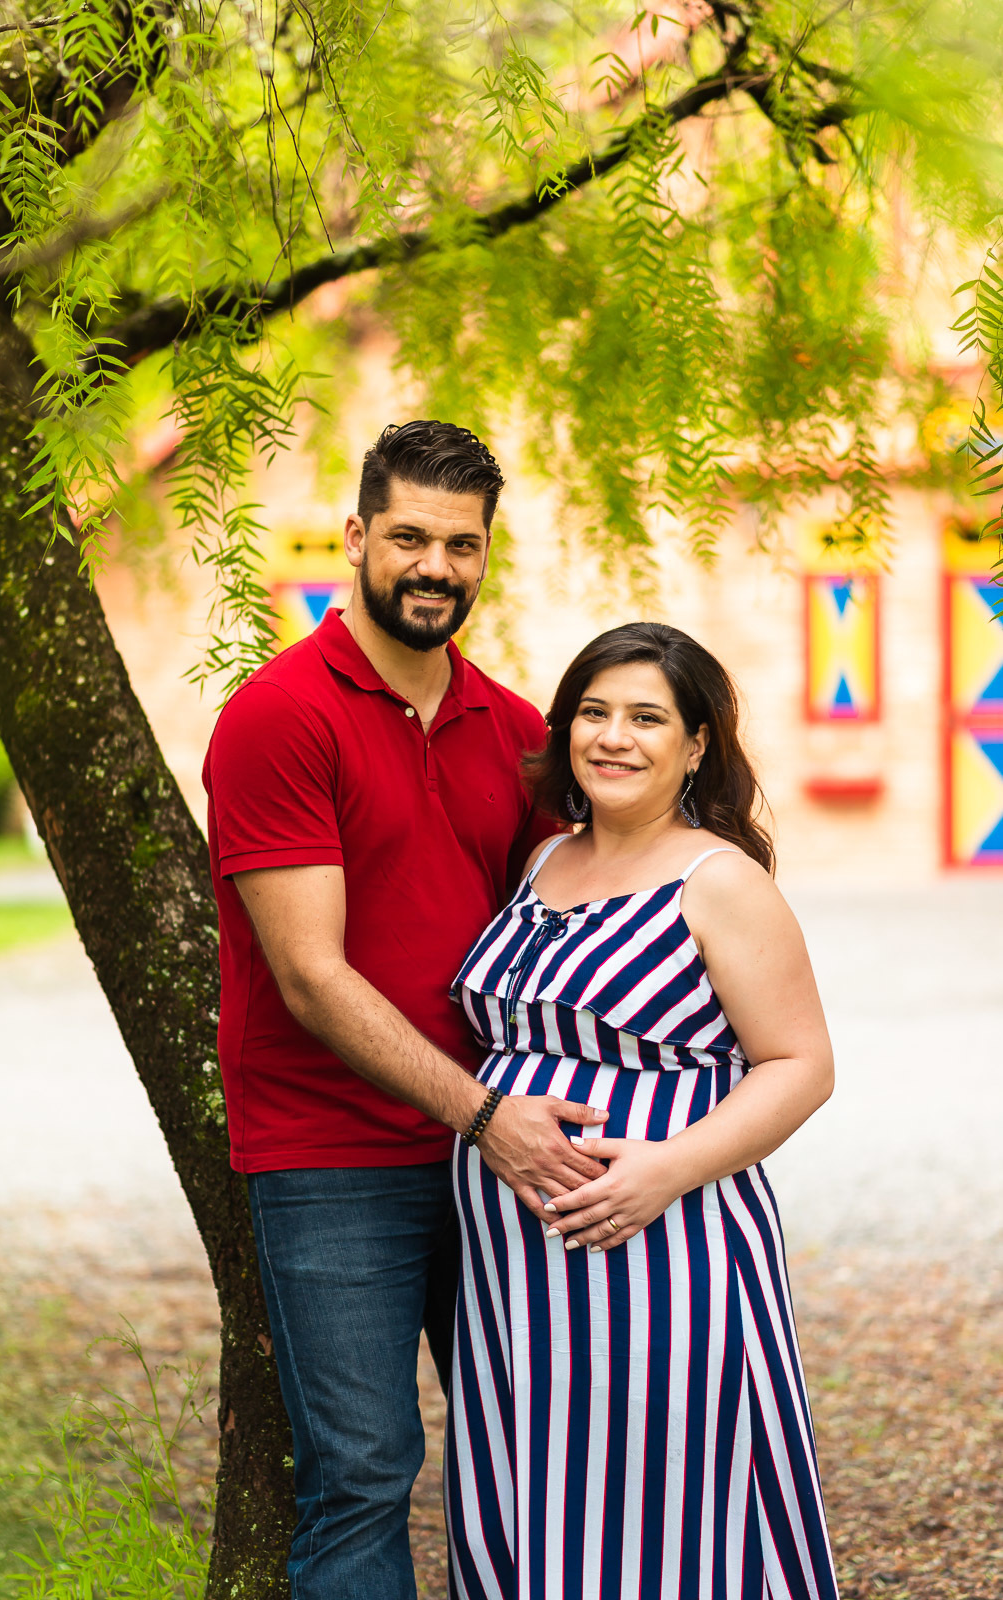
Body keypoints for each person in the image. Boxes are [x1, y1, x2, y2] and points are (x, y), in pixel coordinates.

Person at [202, 420, 610, 1600]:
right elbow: (312, 977)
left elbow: (578, 926)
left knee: (537, 1458)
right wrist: (491, 1115)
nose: (437, 566)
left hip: (496, 1157)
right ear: (357, 538)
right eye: (412, 537)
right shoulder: (282, 714)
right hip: (334, 1157)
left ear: (487, 556)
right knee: (367, 1473)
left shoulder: (518, 728)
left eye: (463, 545)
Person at [447, 621, 839, 1600]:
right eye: (594, 712)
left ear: (697, 744)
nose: (613, 736)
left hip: (665, 1257)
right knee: (530, 1493)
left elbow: (801, 1063)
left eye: (647, 717)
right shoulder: (542, 864)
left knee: (659, 1518)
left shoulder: (721, 881)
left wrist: (665, 1168)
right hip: (515, 1279)